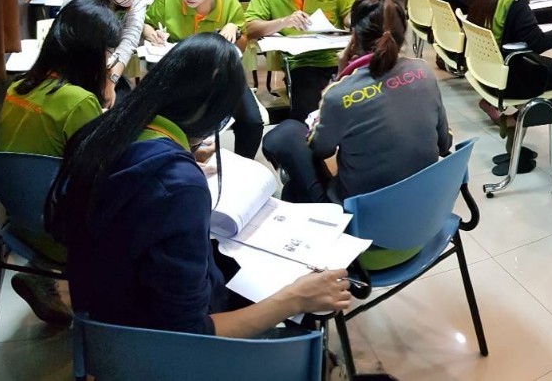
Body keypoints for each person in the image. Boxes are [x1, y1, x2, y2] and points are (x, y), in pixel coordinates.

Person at [45, 35, 352, 336]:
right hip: (153, 344)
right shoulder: (180, 185)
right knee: (305, 303)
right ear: (215, 117)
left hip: (101, 317)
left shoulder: (103, 131)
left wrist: (183, 155)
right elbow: (191, 332)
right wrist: (294, 299)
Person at [261, 0, 452, 262]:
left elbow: (321, 148)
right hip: (426, 222)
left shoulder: (340, 94)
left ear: (354, 38)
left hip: (365, 238)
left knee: (284, 140)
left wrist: (339, 80)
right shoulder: (424, 72)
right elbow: (444, 144)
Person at [0, 0, 121, 326]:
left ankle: (44, 278)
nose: (108, 61)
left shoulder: (17, 88)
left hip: (19, 223)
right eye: (106, 53)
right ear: (89, 54)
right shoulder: (79, 101)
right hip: (59, 235)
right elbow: (101, 172)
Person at [143, 0, 263, 158]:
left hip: (219, 75)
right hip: (177, 75)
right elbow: (147, 24)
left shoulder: (228, 4)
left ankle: (243, 162)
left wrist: (234, 30)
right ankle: (181, 160)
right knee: (175, 119)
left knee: (252, 121)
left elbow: (241, 48)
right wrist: (151, 33)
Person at [245, 0, 356, 122]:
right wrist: (284, 21)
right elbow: (250, 27)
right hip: (301, 62)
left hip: (341, 56)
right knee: (310, 110)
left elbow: (349, 12)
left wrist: (353, 20)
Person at [60, 0, 150, 91]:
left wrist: (111, 81)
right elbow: (63, 38)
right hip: (76, 65)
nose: (132, 0)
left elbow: (130, 37)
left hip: (112, 64)